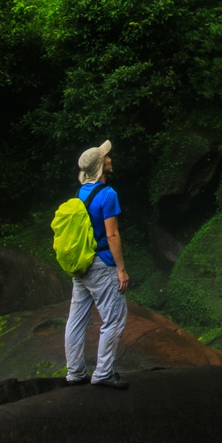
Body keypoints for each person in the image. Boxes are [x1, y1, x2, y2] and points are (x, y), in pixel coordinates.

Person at [64, 140, 130, 389]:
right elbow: (112, 236)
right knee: (114, 319)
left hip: (82, 264)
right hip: (102, 264)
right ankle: (103, 373)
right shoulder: (108, 194)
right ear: (101, 166)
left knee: (76, 319)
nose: (110, 158)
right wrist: (121, 269)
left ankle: (74, 373)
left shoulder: (81, 192)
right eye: (106, 157)